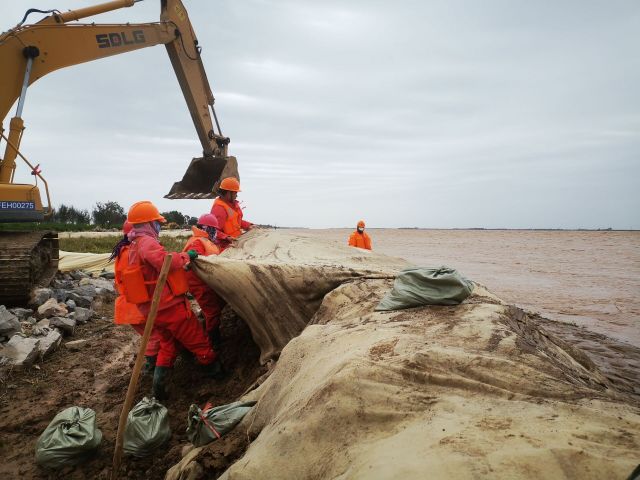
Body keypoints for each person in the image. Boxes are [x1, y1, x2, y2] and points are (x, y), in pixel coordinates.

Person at [122, 200, 222, 399]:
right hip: (168, 307)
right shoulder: (147, 242)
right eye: (157, 222)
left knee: (167, 344)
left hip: (152, 309)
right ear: (148, 223)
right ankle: (215, 372)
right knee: (197, 339)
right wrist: (186, 256)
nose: (159, 226)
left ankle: (159, 386)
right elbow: (165, 261)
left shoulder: (133, 245)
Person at [111, 220, 161, 374]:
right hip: (136, 305)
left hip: (129, 304)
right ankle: (152, 368)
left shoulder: (124, 250)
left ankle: (152, 365)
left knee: (151, 336)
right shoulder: (131, 252)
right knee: (155, 337)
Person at [182, 213, 225, 348]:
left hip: (206, 282)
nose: (215, 233)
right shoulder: (197, 241)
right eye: (214, 230)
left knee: (214, 307)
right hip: (199, 283)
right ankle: (213, 341)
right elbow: (193, 256)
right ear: (207, 228)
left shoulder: (205, 240)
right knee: (212, 311)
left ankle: (207, 327)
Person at [211, 176, 253, 249]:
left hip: (235, 241)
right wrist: (226, 237)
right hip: (225, 245)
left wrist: (249, 225)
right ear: (228, 193)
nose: (236, 195)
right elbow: (213, 231)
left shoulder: (230, 205)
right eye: (235, 193)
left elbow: (236, 221)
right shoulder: (219, 209)